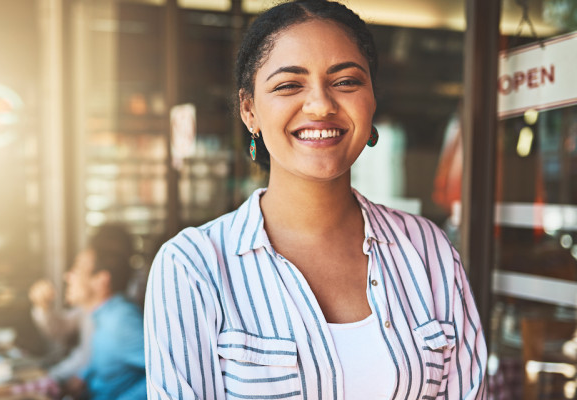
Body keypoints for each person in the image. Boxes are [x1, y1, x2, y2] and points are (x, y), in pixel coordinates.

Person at [144, 1, 488, 399]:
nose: (321, 105)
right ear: (249, 109)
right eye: (289, 85)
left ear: (372, 99)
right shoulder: (193, 268)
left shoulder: (430, 252)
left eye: (345, 82)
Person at [59, 223, 146, 400]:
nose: (68, 276)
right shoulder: (101, 315)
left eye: (78, 269)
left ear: (101, 280)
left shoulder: (122, 320)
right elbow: (112, 357)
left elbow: (163, 371)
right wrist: (84, 375)